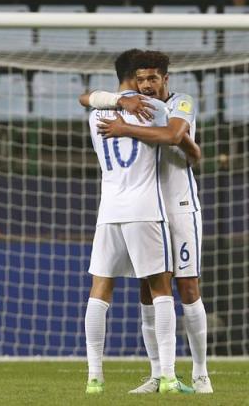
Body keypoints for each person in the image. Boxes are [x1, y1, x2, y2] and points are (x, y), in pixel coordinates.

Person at [93, 50, 212, 394]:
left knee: (188, 289)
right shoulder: (132, 105)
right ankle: (159, 374)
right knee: (148, 291)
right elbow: (87, 98)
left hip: (180, 207)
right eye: (141, 79)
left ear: (165, 79)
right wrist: (192, 148)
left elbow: (173, 135)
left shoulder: (182, 102)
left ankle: (201, 374)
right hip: (146, 211)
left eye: (153, 79)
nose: (146, 85)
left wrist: (125, 128)